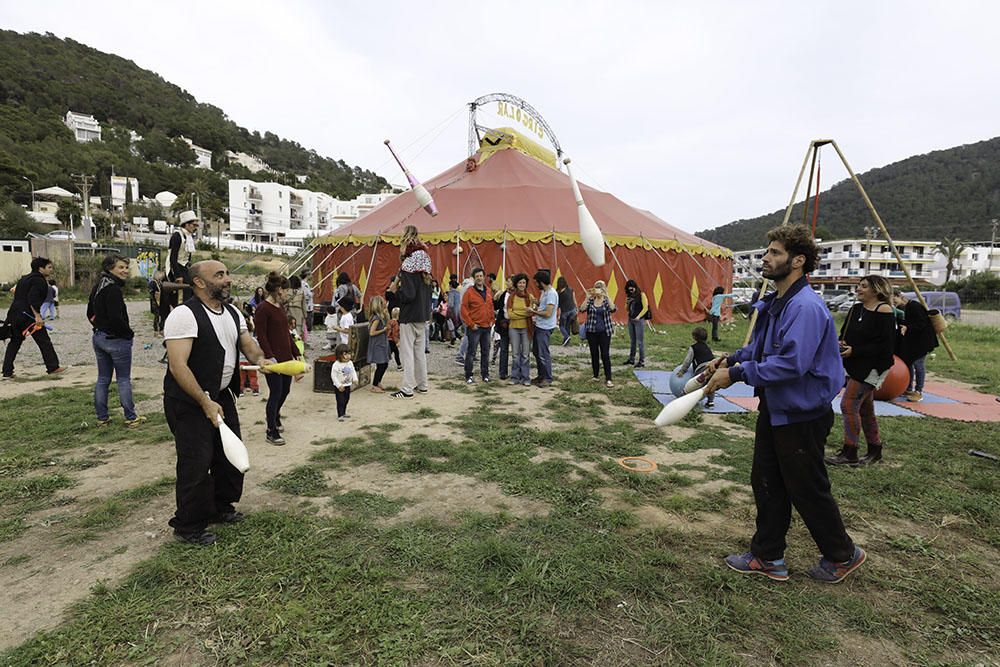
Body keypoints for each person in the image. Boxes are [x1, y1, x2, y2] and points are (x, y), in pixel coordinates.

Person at [704, 224, 865, 584]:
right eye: (767, 252)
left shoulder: (805, 307)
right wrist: (730, 360)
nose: (765, 258)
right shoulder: (779, 303)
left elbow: (792, 364)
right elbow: (761, 351)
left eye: (774, 253)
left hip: (802, 414)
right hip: (777, 410)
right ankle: (768, 556)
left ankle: (843, 555)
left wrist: (738, 375)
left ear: (798, 261)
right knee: (767, 482)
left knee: (806, 488)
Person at [162, 260, 273, 546]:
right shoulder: (183, 316)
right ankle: (188, 526)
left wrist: (261, 359)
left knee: (228, 460)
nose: (227, 280)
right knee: (196, 462)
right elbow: (178, 366)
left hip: (222, 395)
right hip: (189, 400)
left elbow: (246, 344)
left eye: (227, 273)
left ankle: (220, 507)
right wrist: (204, 401)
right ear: (199, 282)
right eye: (220, 275)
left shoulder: (233, 312)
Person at [827, 275, 896, 467]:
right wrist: (842, 343)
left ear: (876, 289)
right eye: (859, 285)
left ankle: (850, 452)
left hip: (873, 366)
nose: (859, 289)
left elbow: (885, 346)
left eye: (864, 286)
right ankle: (875, 450)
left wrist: (856, 350)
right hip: (854, 363)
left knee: (848, 405)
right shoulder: (856, 308)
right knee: (865, 410)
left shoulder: (884, 310)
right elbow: (845, 333)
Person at [87, 253, 145, 427]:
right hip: (116, 340)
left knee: (103, 378)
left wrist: (99, 327)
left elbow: (89, 312)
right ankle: (130, 417)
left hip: (99, 337)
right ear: (109, 268)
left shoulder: (99, 285)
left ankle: (102, 418)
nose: (125, 271)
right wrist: (128, 333)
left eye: (126, 267)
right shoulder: (112, 289)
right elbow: (116, 318)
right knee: (123, 379)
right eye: (120, 267)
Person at [253, 272, 300, 446]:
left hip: (286, 358)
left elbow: (285, 333)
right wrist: (269, 356)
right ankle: (271, 430)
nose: (287, 294)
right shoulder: (263, 309)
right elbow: (262, 335)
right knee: (276, 393)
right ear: (279, 290)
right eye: (286, 291)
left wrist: (296, 352)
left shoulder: (280, 308)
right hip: (273, 361)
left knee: (285, 391)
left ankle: (276, 415)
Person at [3, 257, 65, 379]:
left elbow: (18, 295)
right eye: (49, 267)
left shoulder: (24, 279)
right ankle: (53, 367)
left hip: (14, 314)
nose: (51, 270)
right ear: (41, 269)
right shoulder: (39, 280)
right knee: (44, 341)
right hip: (28, 316)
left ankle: (7, 371)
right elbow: (32, 298)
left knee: (15, 342)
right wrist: (37, 316)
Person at [892, 288, 938, 403]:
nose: (894, 303)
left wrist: (908, 327)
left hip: (924, 341)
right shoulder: (903, 309)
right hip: (914, 341)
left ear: (899, 296)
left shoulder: (914, 306)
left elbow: (921, 323)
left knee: (918, 364)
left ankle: (918, 391)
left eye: (894, 300)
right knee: (909, 362)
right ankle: (908, 388)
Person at [461, 268, 495, 384]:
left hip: (486, 326)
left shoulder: (489, 291)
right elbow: (464, 309)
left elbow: (491, 307)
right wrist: (471, 324)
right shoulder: (469, 292)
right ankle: (468, 375)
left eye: (481, 276)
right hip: (475, 327)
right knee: (471, 352)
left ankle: (485, 374)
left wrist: (492, 320)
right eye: (477, 276)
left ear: (484, 277)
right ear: (474, 278)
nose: (479, 278)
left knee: (486, 352)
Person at [582, 280, 616, 388]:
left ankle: (609, 378)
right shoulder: (591, 301)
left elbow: (613, 308)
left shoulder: (606, 301)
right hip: (592, 331)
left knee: (605, 354)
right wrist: (587, 297)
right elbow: (581, 309)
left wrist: (607, 295)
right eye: (596, 287)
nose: (598, 289)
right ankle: (595, 376)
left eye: (600, 287)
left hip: (605, 332)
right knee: (594, 354)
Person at [528, 269, 558, 387]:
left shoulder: (551, 293)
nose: (536, 285)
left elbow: (548, 313)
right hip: (539, 325)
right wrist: (537, 303)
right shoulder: (544, 292)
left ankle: (547, 377)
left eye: (537, 282)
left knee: (543, 353)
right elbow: (543, 307)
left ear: (542, 282)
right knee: (536, 351)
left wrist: (533, 311)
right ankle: (541, 375)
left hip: (545, 327)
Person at [506, 273, 535, 386]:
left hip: (526, 328)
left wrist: (518, 313)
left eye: (524, 283)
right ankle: (514, 376)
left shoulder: (530, 297)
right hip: (513, 328)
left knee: (525, 354)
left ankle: (525, 377)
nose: (522, 285)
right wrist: (524, 314)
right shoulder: (512, 297)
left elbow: (531, 312)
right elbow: (509, 314)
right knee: (515, 354)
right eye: (520, 282)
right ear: (516, 284)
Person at [677, 327, 716, 408]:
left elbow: (688, 360)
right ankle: (710, 401)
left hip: (702, 369)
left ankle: (683, 397)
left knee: (696, 384)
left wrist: (682, 371)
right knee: (710, 384)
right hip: (713, 368)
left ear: (694, 337)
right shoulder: (707, 347)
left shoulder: (693, 347)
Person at [168, 211, 199, 307]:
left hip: (184, 266)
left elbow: (188, 256)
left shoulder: (188, 237)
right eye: (193, 225)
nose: (195, 227)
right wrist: (178, 275)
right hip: (176, 266)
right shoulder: (177, 236)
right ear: (187, 224)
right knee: (184, 291)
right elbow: (173, 257)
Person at [366, 296, 390, 393]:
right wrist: (383, 330)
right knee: (381, 364)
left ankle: (378, 381)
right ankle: (375, 385)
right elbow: (372, 332)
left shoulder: (381, 316)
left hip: (382, 342)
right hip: (377, 344)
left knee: (385, 363)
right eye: (382, 302)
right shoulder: (376, 318)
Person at [623, 279, 649, 368]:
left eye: (632, 289)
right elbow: (626, 309)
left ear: (635, 288)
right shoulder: (629, 297)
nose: (631, 291)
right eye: (629, 290)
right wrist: (627, 302)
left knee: (640, 341)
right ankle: (631, 359)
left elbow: (645, 308)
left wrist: (639, 316)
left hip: (639, 320)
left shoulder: (641, 295)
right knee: (632, 341)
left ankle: (642, 361)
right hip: (631, 320)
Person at [330, 343, 358, 421]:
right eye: (345, 354)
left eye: (349, 353)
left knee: (346, 399)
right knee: (340, 401)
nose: (348, 356)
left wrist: (355, 379)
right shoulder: (336, 365)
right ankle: (340, 415)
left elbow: (353, 371)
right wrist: (338, 385)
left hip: (347, 385)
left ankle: (344, 413)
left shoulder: (350, 363)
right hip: (339, 387)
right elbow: (333, 376)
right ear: (339, 355)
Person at [492, 277, 513, 379]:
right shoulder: (503, 294)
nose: (507, 283)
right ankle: (503, 372)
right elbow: (496, 307)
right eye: (507, 281)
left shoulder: (518, 294)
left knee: (516, 350)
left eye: (509, 282)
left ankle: (516, 372)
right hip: (504, 324)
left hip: (515, 324)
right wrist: (495, 297)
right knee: (504, 348)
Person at [556, 276, 577, 346]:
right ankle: (566, 341)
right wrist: (576, 309)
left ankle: (566, 336)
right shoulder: (571, 289)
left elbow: (558, 305)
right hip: (573, 310)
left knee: (561, 325)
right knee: (567, 326)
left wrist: (558, 315)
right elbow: (574, 300)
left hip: (565, 311)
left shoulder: (559, 293)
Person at [287, 275, 307, 343]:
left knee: (288, 331)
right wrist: (305, 316)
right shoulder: (301, 292)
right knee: (298, 332)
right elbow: (304, 306)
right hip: (299, 314)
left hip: (288, 313)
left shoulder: (286, 292)